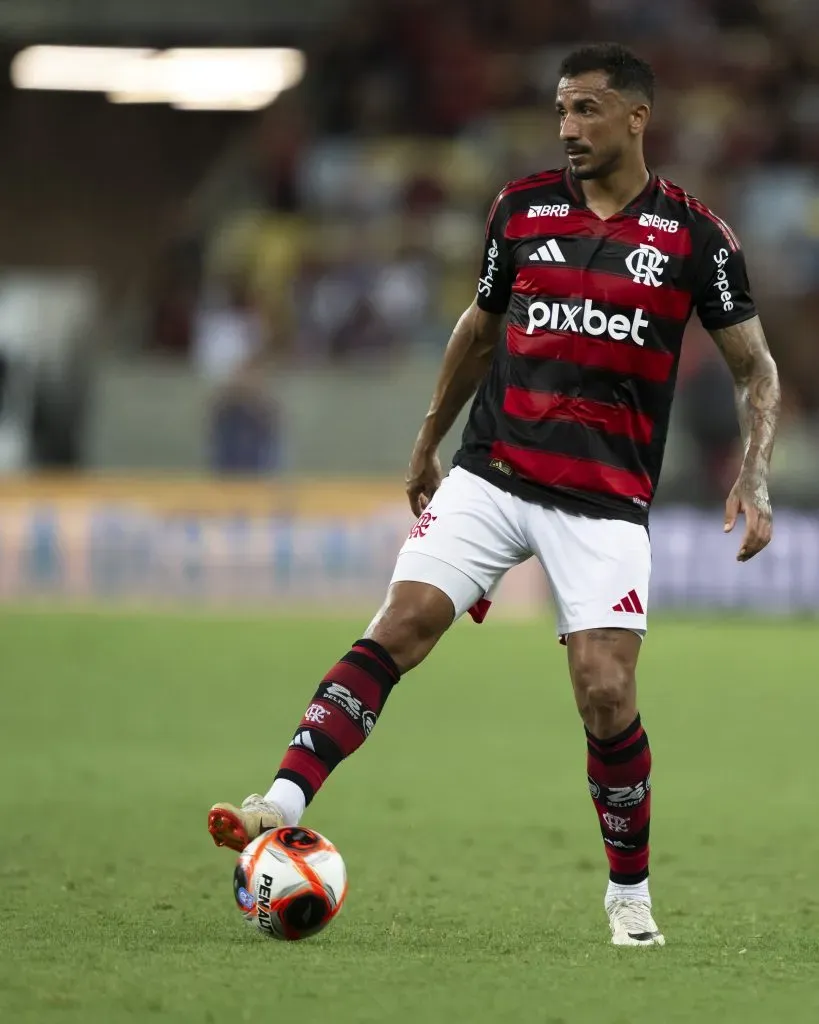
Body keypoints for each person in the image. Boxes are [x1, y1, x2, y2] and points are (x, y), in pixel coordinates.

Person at [208, 43, 781, 947]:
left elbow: (755, 370)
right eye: (560, 110)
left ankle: (627, 894)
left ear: (637, 117)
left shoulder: (694, 237)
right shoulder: (520, 209)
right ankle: (279, 799)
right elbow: (477, 330)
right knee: (402, 622)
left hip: (602, 500)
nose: (567, 129)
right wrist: (428, 436)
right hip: (493, 470)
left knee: (603, 689)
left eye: (587, 111)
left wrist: (753, 475)